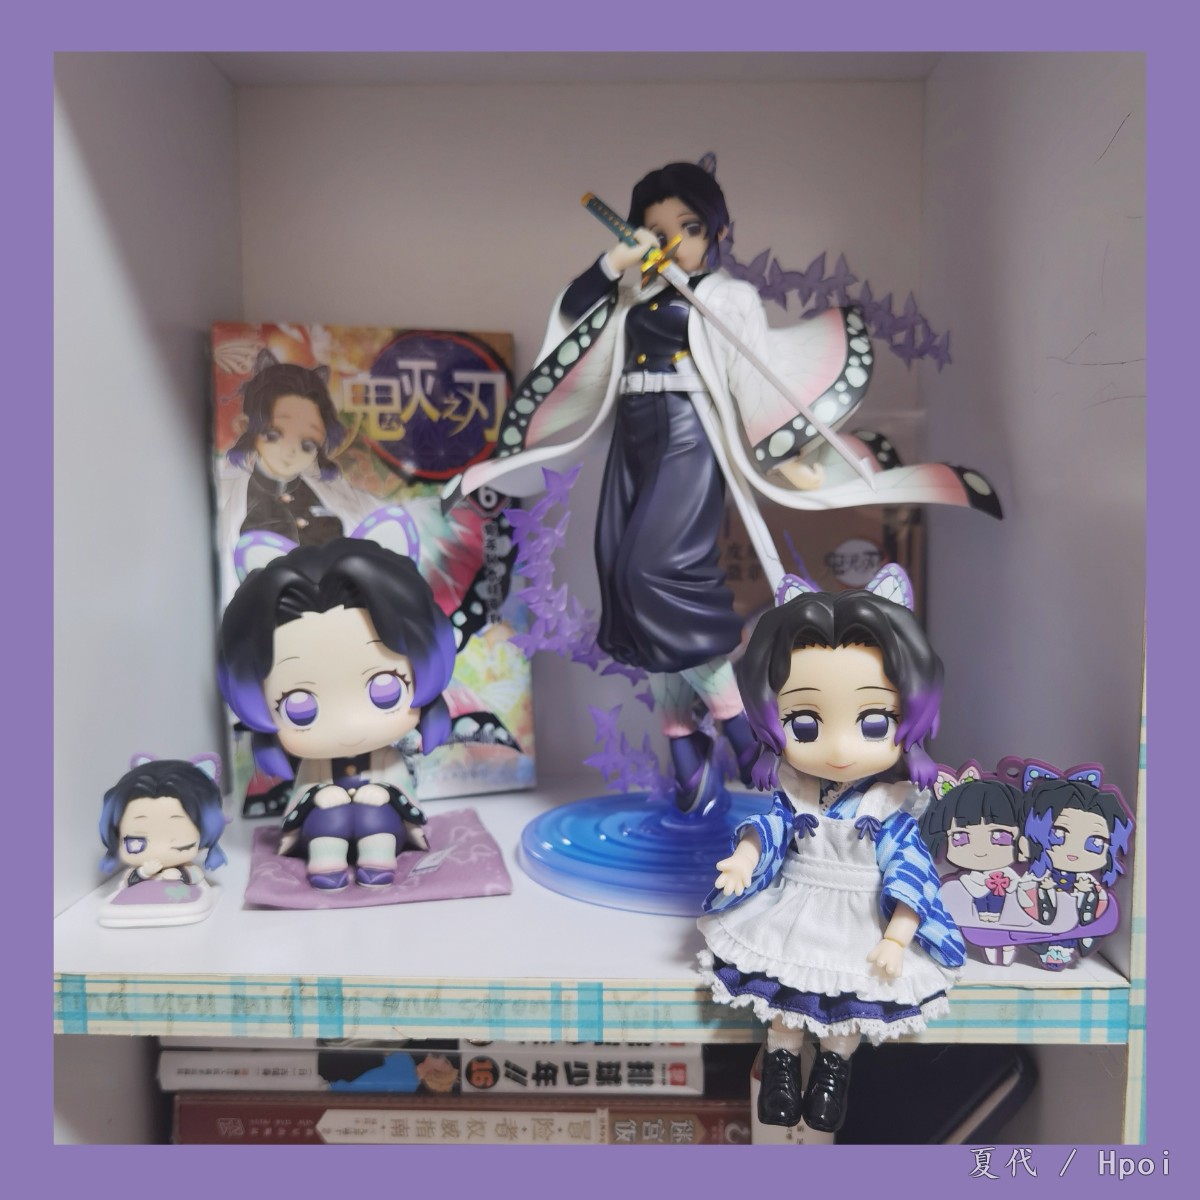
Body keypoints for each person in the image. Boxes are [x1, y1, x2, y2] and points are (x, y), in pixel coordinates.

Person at [450, 160, 999, 812]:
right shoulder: (632, 293)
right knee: (625, 586)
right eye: (656, 230)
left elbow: (754, 378)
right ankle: (684, 742)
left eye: (686, 227)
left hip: (689, 434)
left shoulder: (727, 296)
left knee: (655, 577)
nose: (671, 241)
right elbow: (573, 319)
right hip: (631, 437)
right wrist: (610, 267)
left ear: (716, 232)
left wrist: (789, 452)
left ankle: (738, 728)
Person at [696, 573, 965, 1132]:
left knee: (847, 1007)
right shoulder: (794, 791)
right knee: (785, 999)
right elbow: (770, 828)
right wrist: (745, 859)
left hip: (860, 918)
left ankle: (834, 1070)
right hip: (795, 906)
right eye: (805, 723)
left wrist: (897, 937)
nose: (840, 748)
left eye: (873, 722)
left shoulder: (890, 803)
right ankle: (782, 1064)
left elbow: (911, 873)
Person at [217, 538, 456, 890]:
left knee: (377, 815)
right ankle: (326, 864)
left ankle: (378, 861)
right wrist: (317, 796)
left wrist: (386, 792)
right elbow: (302, 795)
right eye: (300, 707)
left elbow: (402, 789)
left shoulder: (386, 758)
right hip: (325, 821)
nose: (348, 726)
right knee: (327, 817)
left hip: (380, 819)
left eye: (385, 689)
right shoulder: (313, 766)